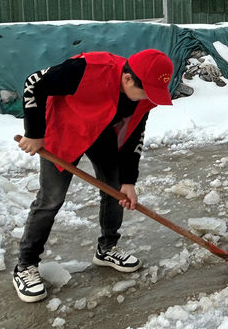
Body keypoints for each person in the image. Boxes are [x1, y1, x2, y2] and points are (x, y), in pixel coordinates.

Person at [12, 49, 174, 303]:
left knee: (115, 190)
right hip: (65, 129)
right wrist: (34, 133)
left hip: (102, 132)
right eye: (146, 92)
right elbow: (33, 83)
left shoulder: (145, 93)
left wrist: (128, 181)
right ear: (128, 79)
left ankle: (107, 248)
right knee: (51, 199)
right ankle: (25, 265)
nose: (149, 98)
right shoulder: (87, 69)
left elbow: (134, 134)